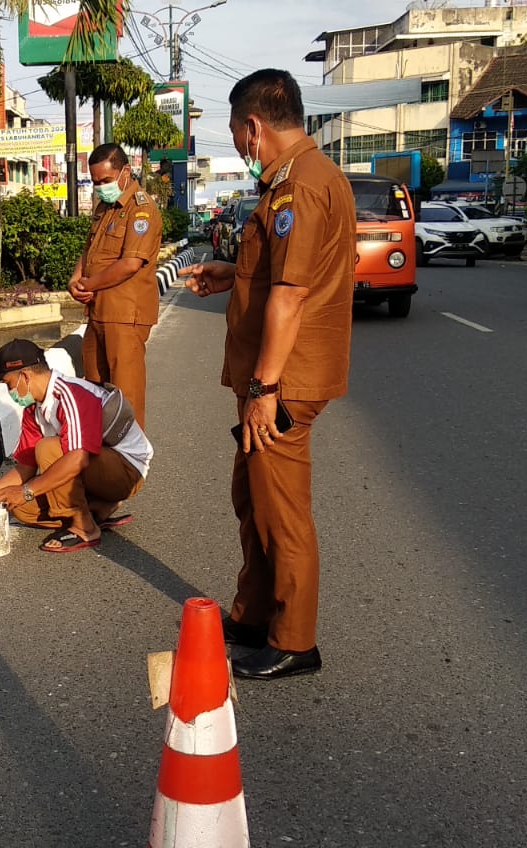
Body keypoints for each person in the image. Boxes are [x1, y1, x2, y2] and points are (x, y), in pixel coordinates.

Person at [178, 69, 356, 681]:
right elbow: (275, 276)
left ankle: (293, 638)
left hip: (286, 381)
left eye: (235, 134)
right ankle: (253, 615)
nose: (237, 147)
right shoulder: (292, 180)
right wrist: (233, 272)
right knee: (252, 499)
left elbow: (291, 296)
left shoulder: (299, 189)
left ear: (253, 127)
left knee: (281, 510)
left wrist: (264, 390)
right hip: (278, 374)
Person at [0, 339, 153, 553]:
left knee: (48, 449)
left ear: (25, 376)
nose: (10, 391)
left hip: (126, 472)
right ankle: (97, 509)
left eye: (9, 384)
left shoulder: (70, 395)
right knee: (19, 509)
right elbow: (26, 467)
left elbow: (78, 458)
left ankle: (84, 527)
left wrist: (26, 491)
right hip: (93, 472)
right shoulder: (34, 409)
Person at [68, 143, 163, 429]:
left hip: (124, 316)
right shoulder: (104, 208)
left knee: (125, 396)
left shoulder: (141, 211)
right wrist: (76, 279)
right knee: (96, 389)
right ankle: (103, 466)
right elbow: (90, 251)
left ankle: (129, 471)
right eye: (96, 182)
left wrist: (90, 284)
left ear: (125, 172)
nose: (100, 187)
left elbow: (131, 263)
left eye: (105, 181)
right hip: (98, 313)